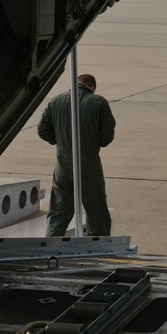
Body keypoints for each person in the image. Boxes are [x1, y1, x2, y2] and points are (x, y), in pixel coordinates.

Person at [39, 73, 116, 236]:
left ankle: (50, 248)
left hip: (62, 167)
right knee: (97, 214)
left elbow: (42, 130)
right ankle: (97, 250)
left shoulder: (56, 100)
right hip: (88, 166)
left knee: (58, 214)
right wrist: (95, 142)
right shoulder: (98, 101)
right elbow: (107, 136)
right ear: (92, 88)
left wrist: (60, 141)